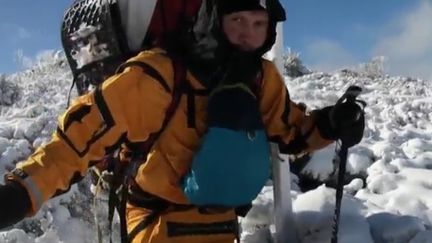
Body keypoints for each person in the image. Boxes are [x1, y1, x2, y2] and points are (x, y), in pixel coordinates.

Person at [0, 0, 365, 242]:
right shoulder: (158, 75)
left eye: (258, 23)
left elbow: (290, 131)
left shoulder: (261, 78)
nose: (247, 34)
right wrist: (22, 194)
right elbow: (77, 140)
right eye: (237, 19)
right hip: (157, 225)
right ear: (213, 18)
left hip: (223, 228)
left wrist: (332, 124)